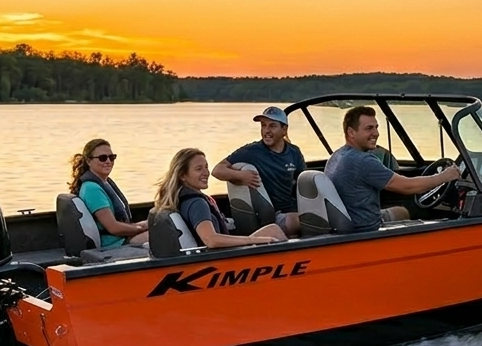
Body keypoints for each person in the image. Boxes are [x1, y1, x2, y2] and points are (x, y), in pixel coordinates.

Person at [324, 106, 461, 232]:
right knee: (425, 214)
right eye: (369, 128)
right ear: (351, 132)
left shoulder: (336, 156)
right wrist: (445, 176)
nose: (376, 133)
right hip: (366, 230)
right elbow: (407, 187)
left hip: (352, 220)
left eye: (376, 127)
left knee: (402, 211)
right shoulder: (362, 161)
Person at [158, 148, 287, 249]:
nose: (206, 172)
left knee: (271, 229)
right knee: (273, 231)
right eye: (198, 169)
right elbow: (211, 240)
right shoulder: (197, 203)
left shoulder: (180, 199)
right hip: (220, 257)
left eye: (206, 167)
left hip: (214, 254)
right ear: (183, 175)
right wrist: (253, 240)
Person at [212, 106, 306, 235]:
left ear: (284, 130)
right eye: (263, 126)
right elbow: (217, 170)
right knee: (307, 221)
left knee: (317, 215)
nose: (266, 130)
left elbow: (303, 183)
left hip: (292, 209)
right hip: (273, 217)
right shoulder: (251, 151)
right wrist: (240, 175)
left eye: (272, 126)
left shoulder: (294, 152)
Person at [69, 138, 149, 247]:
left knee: (156, 225)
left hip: (120, 238)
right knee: (164, 234)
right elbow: (113, 228)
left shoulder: (104, 183)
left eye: (112, 157)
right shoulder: (92, 189)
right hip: (112, 244)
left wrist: (143, 225)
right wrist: (140, 228)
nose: (108, 161)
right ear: (88, 161)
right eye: (102, 158)